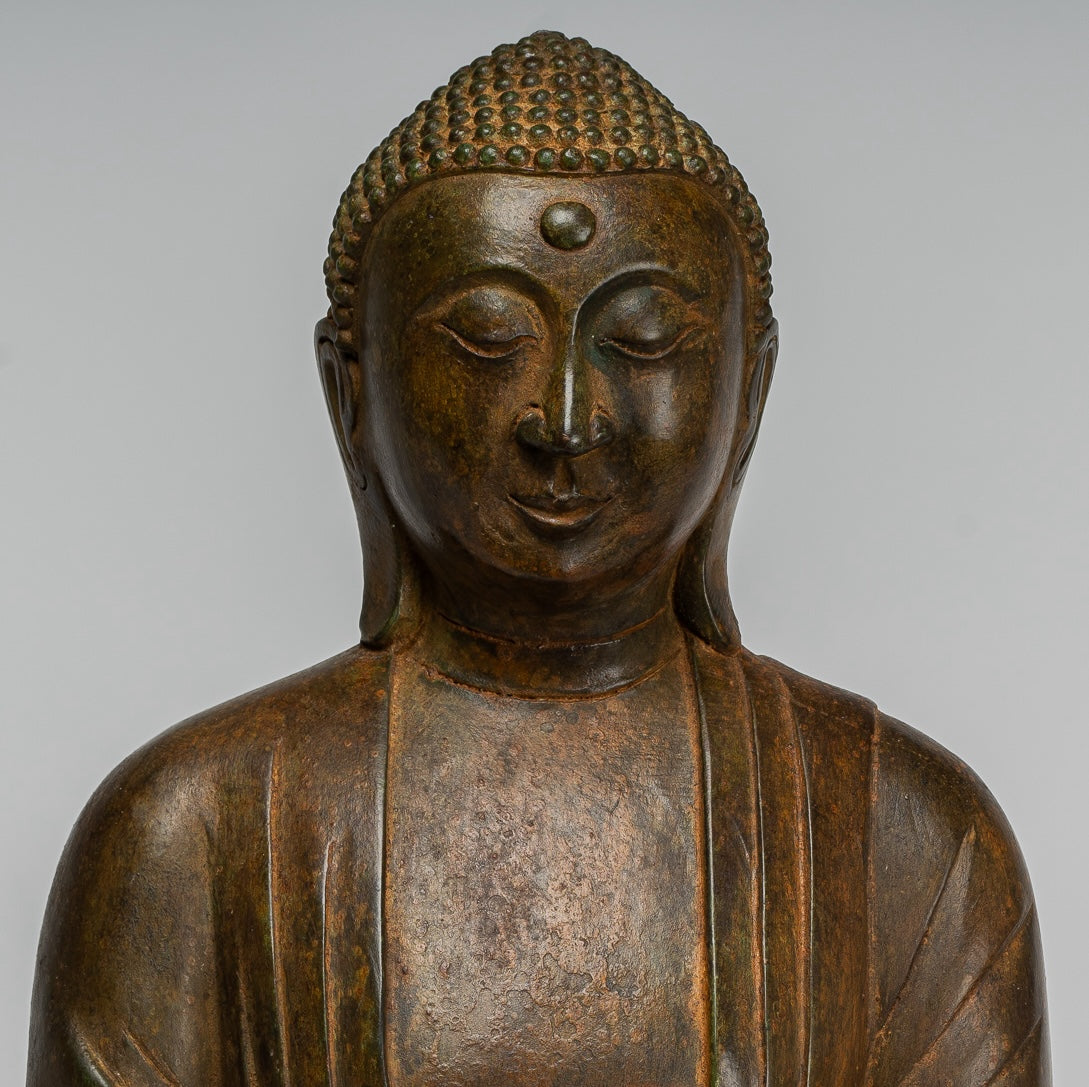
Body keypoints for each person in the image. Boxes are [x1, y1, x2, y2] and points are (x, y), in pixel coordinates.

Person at [27, 30, 1050, 1087]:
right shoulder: (190, 831)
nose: (565, 419)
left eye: (643, 341)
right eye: (486, 338)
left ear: (747, 388)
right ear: (350, 391)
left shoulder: (901, 835)